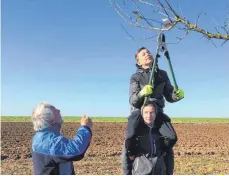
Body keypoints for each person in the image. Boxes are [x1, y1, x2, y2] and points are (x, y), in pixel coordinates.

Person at [122, 47, 184, 175]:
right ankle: (131, 158)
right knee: (130, 136)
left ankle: (166, 167)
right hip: (140, 112)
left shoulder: (162, 74)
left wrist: (177, 95)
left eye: (148, 52)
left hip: (158, 112)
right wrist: (141, 94)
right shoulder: (136, 77)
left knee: (171, 137)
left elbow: (169, 96)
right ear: (138, 62)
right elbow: (133, 100)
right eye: (143, 54)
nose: (147, 54)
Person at [31, 102, 92, 175]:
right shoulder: (51, 142)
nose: (59, 111)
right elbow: (76, 150)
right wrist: (85, 127)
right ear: (51, 120)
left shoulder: (39, 137)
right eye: (56, 111)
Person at [123, 102, 175, 175]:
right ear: (142, 114)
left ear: (156, 114)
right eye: (146, 112)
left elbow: (169, 155)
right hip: (141, 172)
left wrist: (169, 173)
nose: (149, 115)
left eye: (152, 112)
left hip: (159, 172)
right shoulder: (135, 132)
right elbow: (126, 156)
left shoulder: (162, 131)